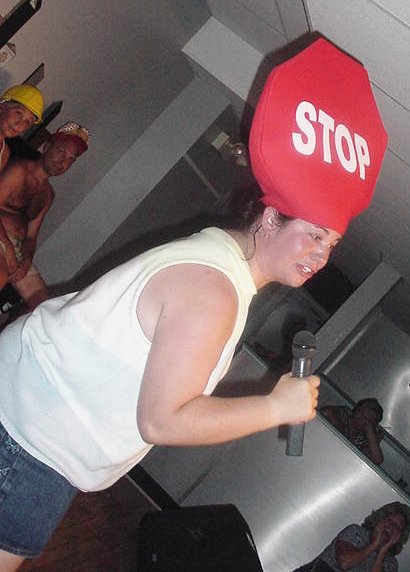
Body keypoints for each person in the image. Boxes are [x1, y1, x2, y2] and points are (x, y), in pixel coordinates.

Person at [0, 37, 387, 571]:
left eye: (332, 245)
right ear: (270, 218)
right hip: (28, 442)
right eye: (315, 235)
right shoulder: (215, 288)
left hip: (32, 427)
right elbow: (162, 422)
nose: (322, 256)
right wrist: (275, 408)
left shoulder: (218, 261)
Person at [0, 121, 89, 312]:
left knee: (45, 306)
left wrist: (25, 261)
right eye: (61, 151)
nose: (63, 161)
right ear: (47, 146)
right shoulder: (19, 171)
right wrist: (9, 252)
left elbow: (31, 237)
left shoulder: (48, 195)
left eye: (71, 159)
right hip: (2, 238)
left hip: (16, 248)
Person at [294, 502, 410, 571]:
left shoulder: (390, 563)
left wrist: (382, 551)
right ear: (380, 519)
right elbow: (345, 562)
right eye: (389, 521)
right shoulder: (356, 532)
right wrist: (373, 545)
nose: (391, 527)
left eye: (397, 527)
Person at [321, 398, 385, 465]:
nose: (361, 419)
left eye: (366, 419)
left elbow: (377, 460)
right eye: (361, 412)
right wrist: (343, 433)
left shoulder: (364, 438)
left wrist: (371, 434)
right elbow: (326, 412)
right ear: (356, 409)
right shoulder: (345, 414)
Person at [0, 84, 44, 173]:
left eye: (27, 122)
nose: (20, 123)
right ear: (1, 108)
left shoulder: (4, 153)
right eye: (18, 113)